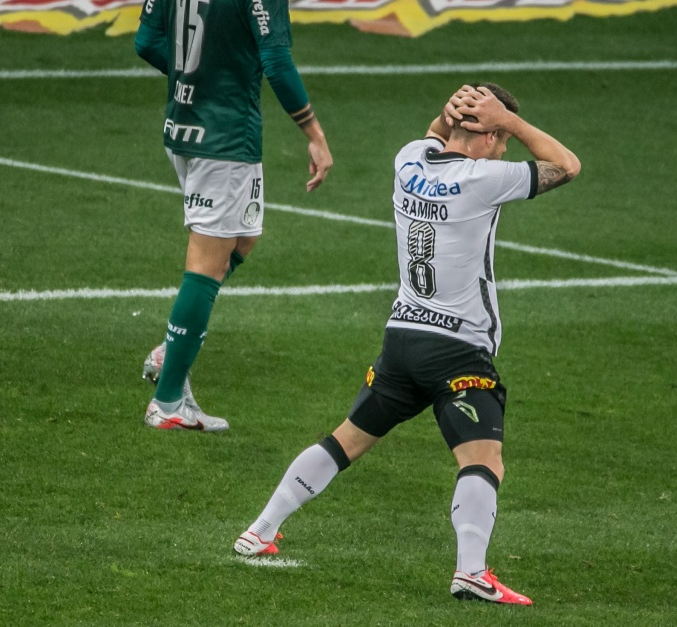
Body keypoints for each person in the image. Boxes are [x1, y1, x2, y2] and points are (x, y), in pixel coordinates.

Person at [233, 83, 580, 605]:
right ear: (487, 137)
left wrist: (450, 116)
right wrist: (510, 123)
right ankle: (471, 572)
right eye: (501, 138)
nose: (506, 148)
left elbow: (433, 137)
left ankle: (259, 530)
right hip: (458, 348)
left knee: (346, 440)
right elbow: (568, 165)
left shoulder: (409, 161)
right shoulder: (485, 178)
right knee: (482, 459)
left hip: (402, 337)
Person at [134, 0, 333, 431]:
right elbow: (276, 61)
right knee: (208, 260)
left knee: (243, 238)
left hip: (182, 127)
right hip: (224, 138)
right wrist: (314, 134)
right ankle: (167, 401)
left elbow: (147, 41)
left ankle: (173, 347)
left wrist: (197, 81)